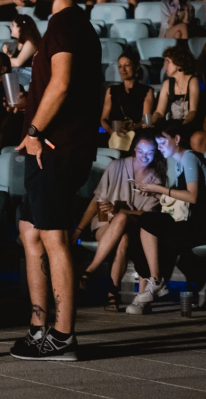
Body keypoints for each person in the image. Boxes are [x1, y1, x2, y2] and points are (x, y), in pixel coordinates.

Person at [11, 0, 102, 361]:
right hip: (52, 146)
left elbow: (62, 84)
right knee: (30, 232)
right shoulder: (64, 25)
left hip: (54, 148)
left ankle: (63, 336)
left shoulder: (65, 24)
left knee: (54, 238)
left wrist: (34, 131)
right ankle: (38, 327)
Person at [134, 120, 206, 311]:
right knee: (147, 220)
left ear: (177, 139)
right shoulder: (174, 161)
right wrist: (155, 193)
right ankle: (156, 280)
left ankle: (151, 288)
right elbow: (177, 198)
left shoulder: (189, 157)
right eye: (157, 144)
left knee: (163, 234)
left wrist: (158, 188)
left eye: (163, 142)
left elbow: (192, 196)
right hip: (188, 218)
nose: (159, 148)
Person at [75, 130, 166, 312]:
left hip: (134, 225)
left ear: (156, 153)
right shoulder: (116, 166)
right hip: (105, 223)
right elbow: (97, 199)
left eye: (149, 152)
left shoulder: (156, 179)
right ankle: (112, 294)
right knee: (122, 238)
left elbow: (148, 215)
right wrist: (78, 230)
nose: (144, 156)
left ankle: (91, 271)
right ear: (134, 149)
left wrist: (120, 210)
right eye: (140, 151)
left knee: (123, 220)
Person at [100, 52, 155, 136]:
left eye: (127, 65)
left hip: (136, 135)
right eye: (120, 66)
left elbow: (146, 120)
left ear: (136, 67)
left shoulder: (146, 91)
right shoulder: (112, 90)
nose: (123, 70)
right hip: (113, 135)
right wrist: (111, 132)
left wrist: (131, 129)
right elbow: (104, 119)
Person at [153, 46, 201, 129]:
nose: (165, 66)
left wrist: (182, 126)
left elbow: (193, 111)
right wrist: (151, 122)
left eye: (168, 62)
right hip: (171, 125)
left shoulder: (193, 81)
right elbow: (159, 112)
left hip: (187, 126)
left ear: (179, 63)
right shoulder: (167, 84)